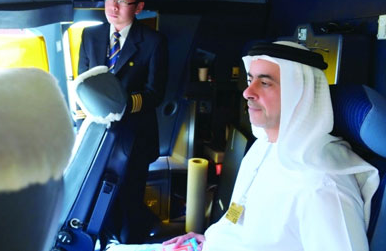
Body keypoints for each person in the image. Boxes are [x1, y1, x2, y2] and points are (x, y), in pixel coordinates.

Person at [106, 41, 379, 251]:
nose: (248, 92)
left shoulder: (322, 185)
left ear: (299, 94)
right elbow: (240, 212)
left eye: (265, 82)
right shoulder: (264, 148)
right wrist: (210, 239)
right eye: (250, 80)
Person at [76, 0, 168, 245]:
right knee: (95, 199)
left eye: (123, 1)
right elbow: (83, 83)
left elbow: (155, 94)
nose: (113, 7)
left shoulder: (153, 42)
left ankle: (130, 244)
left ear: (138, 7)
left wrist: (123, 106)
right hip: (97, 135)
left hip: (134, 136)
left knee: (129, 199)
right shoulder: (90, 36)